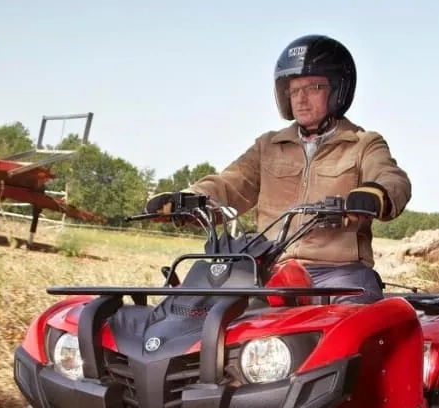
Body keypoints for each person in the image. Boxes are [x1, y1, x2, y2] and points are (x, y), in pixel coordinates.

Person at [144, 34, 412, 302]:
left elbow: (391, 178)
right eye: (294, 90)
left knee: (351, 320)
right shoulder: (268, 146)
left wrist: (376, 193)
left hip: (338, 273)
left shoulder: (362, 143)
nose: (301, 99)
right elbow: (230, 183)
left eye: (314, 87)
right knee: (201, 312)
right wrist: (187, 198)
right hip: (268, 270)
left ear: (337, 90)